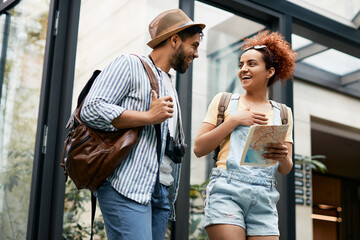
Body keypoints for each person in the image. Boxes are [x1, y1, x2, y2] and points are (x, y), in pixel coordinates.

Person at [80, 9, 205, 240]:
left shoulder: (168, 82)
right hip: (126, 185)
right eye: (194, 46)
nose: (196, 54)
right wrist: (148, 117)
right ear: (175, 39)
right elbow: (92, 108)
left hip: (160, 190)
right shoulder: (130, 64)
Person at [194, 31, 296, 240]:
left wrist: (283, 155)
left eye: (251, 64)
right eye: (241, 65)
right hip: (226, 191)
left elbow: (286, 168)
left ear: (270, 72)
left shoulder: (283, 113)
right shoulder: (224, 102)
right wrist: (234, 121)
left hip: (265, 197)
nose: (243, 70)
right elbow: (199, 148)